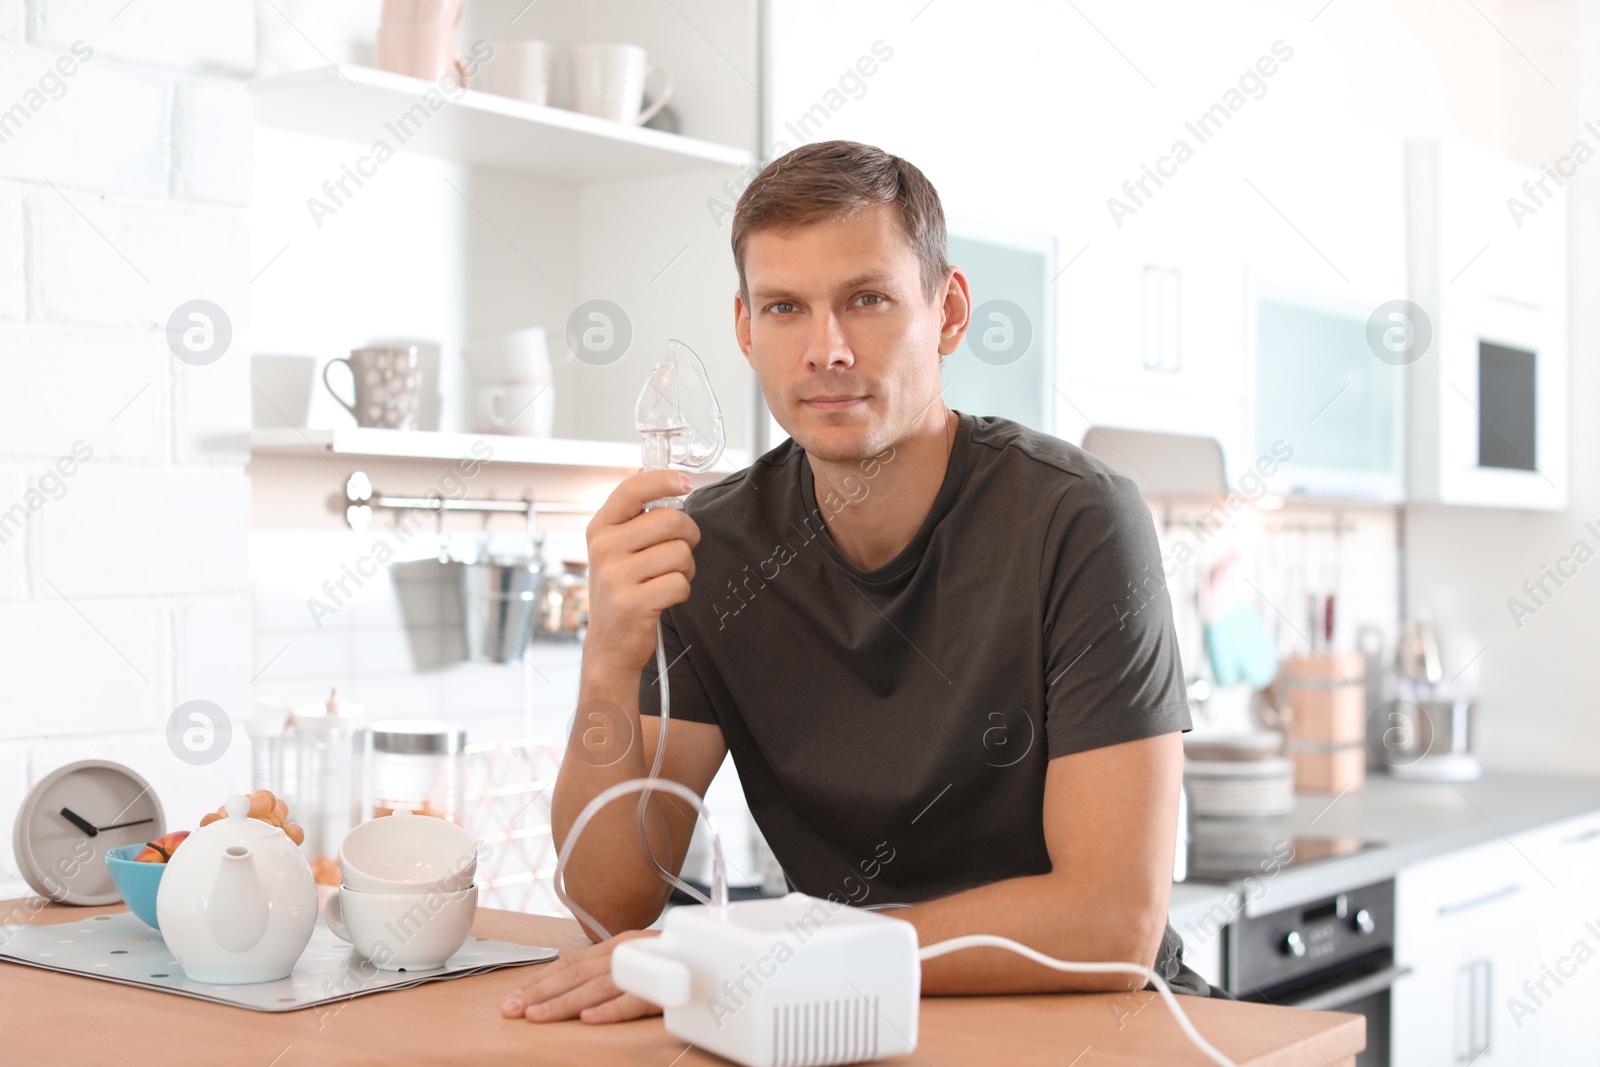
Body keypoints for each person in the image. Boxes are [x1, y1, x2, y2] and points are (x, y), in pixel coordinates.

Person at [502, 139, 1211, 1025]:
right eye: (785, 308)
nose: (825, 349)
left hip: (1097, 1029)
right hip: (843, 1021)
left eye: (866, 300)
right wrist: (606, 661)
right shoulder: (708, 548)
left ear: (948, 312)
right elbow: (611, 910)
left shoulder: (1077, 519)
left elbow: (1111, 923)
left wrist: (766, 953)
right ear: (745, 329)